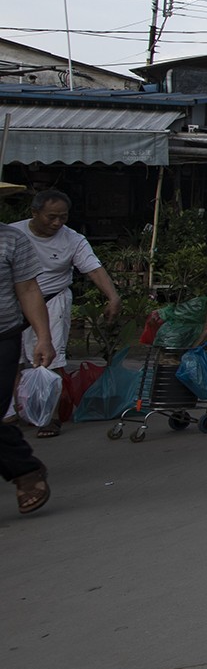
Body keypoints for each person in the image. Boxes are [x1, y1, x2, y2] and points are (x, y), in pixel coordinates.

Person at [8, 189, 122, 438]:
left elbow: (94, 269)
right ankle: (17, 411)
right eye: (51, 217)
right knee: (12, 361)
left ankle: (52, 415)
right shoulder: (12, 233)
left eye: (63, 217)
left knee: (51, 358)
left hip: (52, 300)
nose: (57, 223)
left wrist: (113, 296)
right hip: (13, 303)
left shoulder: (73, 239)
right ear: (34, 213)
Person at [1, 221, 57, 515]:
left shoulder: (11, 239)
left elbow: (28, 289)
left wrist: (43, 338)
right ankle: (25, 467)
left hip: (3, 337)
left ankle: (25, 471)